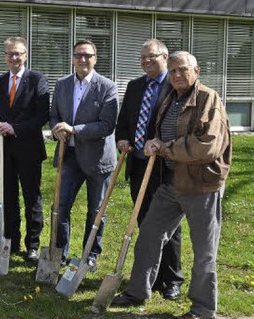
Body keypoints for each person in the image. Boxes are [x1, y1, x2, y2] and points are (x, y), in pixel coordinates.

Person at [111, 51, 231, 319]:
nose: (177, 74)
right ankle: (138, 291)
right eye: (173, 70)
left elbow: (206, 146)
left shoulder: (208, 98)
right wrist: (155, 140)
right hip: (171, 183)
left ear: (196, 71)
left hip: (202, 186)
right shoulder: (171, 98)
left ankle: (202, 309)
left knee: (204, 252)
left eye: (183, 69)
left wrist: (163, 147)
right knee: (149, 236)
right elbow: (165, 131)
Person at [115, 39, 184, 300]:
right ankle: (149, 278)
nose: (146, 61)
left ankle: (172, 278)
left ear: (165, 57)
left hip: (165, 168)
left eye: (151, 57)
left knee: (168, 227)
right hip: (138, 165)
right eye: (142, 57)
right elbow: (124, 122)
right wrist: (122, 139)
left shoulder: (175, 86)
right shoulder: (135, 86)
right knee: (145, 223)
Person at [49, 39, 118, 270]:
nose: (83, 59)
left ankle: (90, 255)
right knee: (61, 206)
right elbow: (54, 115)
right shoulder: (62, 85)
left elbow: (107, 125)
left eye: (88, 55)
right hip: (68, 155)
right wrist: (57, 129)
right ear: (73, 58)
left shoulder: (107, 87)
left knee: (96, 210)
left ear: (95, 58)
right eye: (78, 55)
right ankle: (59, 252)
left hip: (98, 159)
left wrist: (74, 130)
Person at [0, 36, 50, 262]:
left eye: (18, 53)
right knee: (8, 197)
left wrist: (15, 128)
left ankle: (32, 245)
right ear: (5, 57)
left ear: (25, 55)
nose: (14, 57)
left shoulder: (37, 80)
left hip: (29, 148)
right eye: (10, 54)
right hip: (3, 150)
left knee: (32, 197)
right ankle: (10, 241)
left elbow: (42, 116)